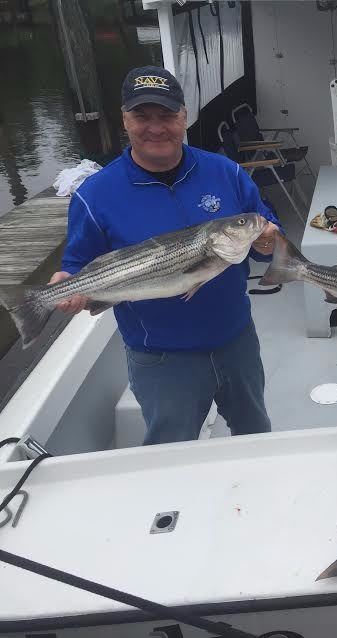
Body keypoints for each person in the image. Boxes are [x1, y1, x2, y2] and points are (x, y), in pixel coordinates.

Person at [50, 66, 282, 445]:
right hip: (160, 358)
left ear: (184, 117)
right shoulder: (94, 195)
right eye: (142, 116)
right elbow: (77, 266)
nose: (156, 128)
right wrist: (70, 286)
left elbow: (266, 226)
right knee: (171, 449)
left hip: (236, 341)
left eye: (167, 115)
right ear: (124, 120)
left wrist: (268, 242)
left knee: (255, 435)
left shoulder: (225, 172)